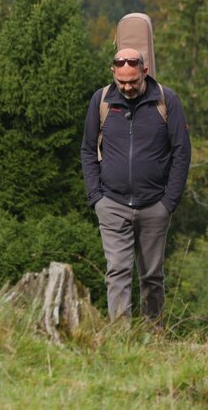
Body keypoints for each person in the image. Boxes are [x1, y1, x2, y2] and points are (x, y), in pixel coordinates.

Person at [81, 48, 191, 324]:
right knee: (117, 270)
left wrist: (169, 202)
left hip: (155, 205)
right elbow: (87, 150)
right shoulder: (101, 100)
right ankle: (120, 337)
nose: (127, 87)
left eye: (133, 81)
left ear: (145, 71)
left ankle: (153, 332)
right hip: (112, 203)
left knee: (152, 276)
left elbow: (182, 152)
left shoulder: (167, 101)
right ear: (113, 75)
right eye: (122, 82)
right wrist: (96, 197)